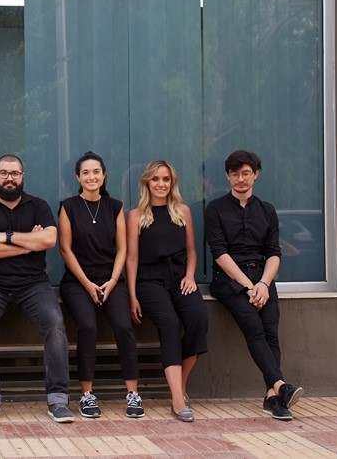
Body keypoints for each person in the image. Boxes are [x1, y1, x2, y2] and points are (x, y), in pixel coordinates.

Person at [0, 154, 74, 424]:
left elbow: (48, 239)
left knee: (55, 323)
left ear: (23, 176)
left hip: (32, 283)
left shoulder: (38, 206)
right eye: (4, 173)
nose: (9, 178)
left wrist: (6, 237)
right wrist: (27, 244)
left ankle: (58, 399)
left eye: (14, 173)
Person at [206, 150, 303, 420]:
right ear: (227, 176)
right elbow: (219, 252)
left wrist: (263, 283)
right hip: (229, 280)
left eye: (246, 173)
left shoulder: (267, 210)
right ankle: (281, 386)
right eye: (235, 174)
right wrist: (249, 285)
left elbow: (273, 252)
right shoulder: (215, 209)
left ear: (255, 175)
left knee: (270, 332)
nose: (241, 179)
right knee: (254, 328)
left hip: (262, 278)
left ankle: (273, 396)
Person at [58, 151, 144, 419]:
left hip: (111, 279)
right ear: (78, 177)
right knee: (88, 326)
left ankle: (133, 393)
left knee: (123, 326)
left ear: (104, 175)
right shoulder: (68, 206)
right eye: (85, 172)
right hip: (78, 281)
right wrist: (87, 284)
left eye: (96, 172)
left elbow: (122, 249)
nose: (91, 177)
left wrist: (113, 281)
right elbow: (65, 250)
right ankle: (86, 394)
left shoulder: (115, 207)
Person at [126, 160, 208, 422]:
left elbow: (192, 252)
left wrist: (190, 276)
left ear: (172, 183)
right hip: (149, 280)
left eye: (166, 179)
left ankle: (180, 386)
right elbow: (132, 259)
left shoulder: (182, 211)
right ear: (147, 182)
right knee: (170, 323)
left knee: (198, 319)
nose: (161, 184)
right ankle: (177, 400)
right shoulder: (136, 215)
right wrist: (132, 296)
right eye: (155, 179)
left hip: (180, 277)